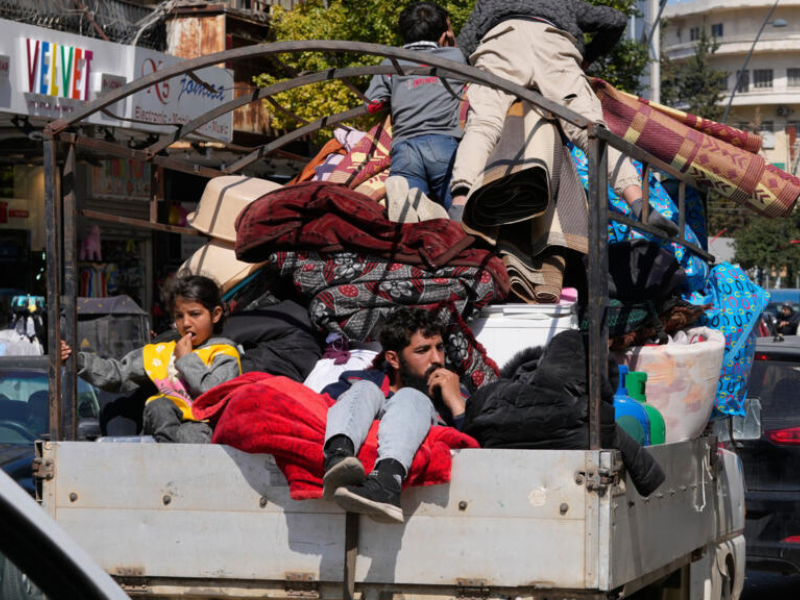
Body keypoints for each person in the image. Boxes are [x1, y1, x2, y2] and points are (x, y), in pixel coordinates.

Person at [448, 0, 678, 235]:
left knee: (484, 126)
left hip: (502, 45)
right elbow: (616, 20)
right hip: (554, 47)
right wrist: (588, 57)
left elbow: (463, 48)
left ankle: (459, 202)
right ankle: (638, 201)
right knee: (591, 130)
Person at [321, 307, 467, 524]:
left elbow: (476, 449)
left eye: (440, 348)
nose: (437, 359)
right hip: (343, 487)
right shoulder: (354, 381)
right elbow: (319, 411)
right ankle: (338, 458)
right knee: (365, 389)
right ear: (394, 359)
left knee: (412, 397)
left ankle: (387, 482)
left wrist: (457, 403)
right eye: (422, 350)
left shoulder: (454, 394)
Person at [61, 274, 242, 443]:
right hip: (161, 431)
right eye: (179, 316)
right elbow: (117, 374)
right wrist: (77, 360)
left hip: (203, 432)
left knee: (191, 431)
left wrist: (186, 360)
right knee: (159, 405)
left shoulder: (223, 353)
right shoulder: (162, 351)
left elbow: (214, 393)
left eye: (195, 314)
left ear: (215, 314)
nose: (186, 323)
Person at [364, 2, 466, 220]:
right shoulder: (456, 58)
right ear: (442, 34)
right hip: (445, 147)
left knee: (407, 203)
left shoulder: (390, 62)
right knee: (460, 215)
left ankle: (410, 201)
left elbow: (371, 105)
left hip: (405, 148)